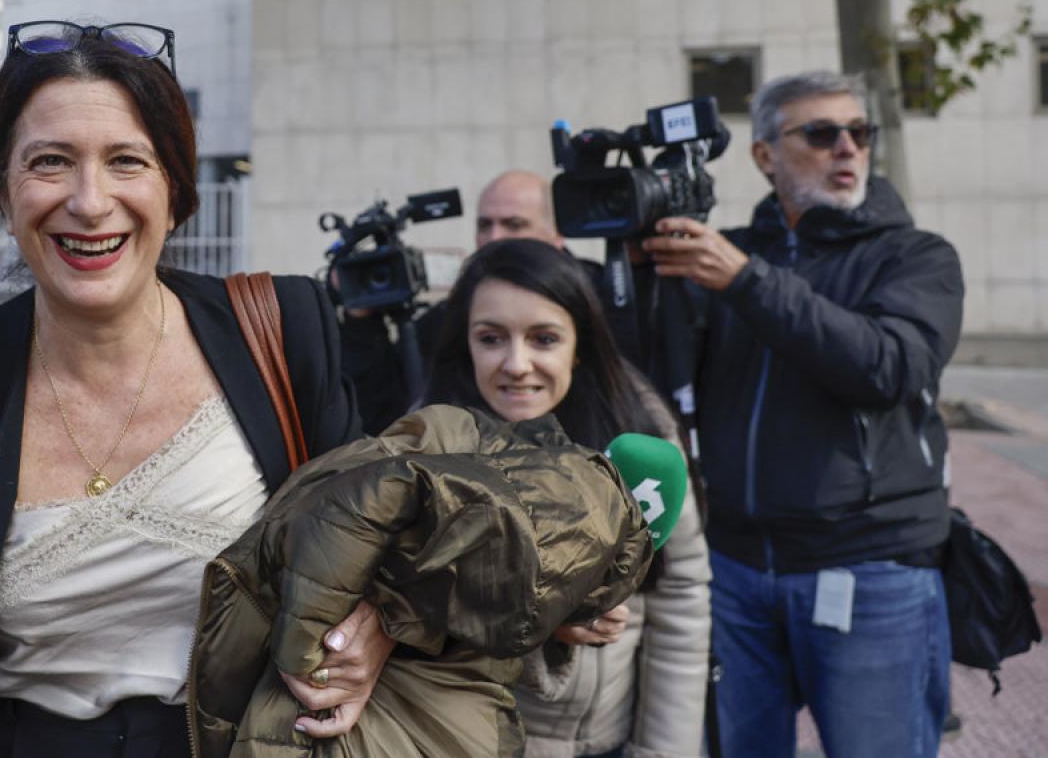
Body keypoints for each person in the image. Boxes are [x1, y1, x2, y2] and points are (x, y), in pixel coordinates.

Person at [0, 21, 392, 757]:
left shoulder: (281, 331)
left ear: (176, 191)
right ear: (3, 195)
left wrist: (379, 629)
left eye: (126, 161)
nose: (89, 201)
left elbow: (382, 539)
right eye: (49, 162)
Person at [644, 70, 964, 757]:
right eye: (821, 134)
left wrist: (747, 282)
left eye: (859, 132)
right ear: (765, 155)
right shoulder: (723, 257)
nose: (847, 148)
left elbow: (889, 368)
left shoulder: (916, 256)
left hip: (870, 569)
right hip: (733, 569)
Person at [423, 239, 711, 758]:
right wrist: (540, 626)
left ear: (580, 343)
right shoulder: (422, 452)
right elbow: (406, 615)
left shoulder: (638, 430)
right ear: (465, 343)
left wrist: (661, 751)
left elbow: (681, 600)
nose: (517, 364)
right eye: (491, 338)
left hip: (610, 740)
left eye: (544, 338)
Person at [340, 169, 588, 434]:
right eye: (490, 339)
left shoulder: (601, 296)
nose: (494, 237)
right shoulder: (447, 319)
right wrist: (362, 326)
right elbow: (378, 411)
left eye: (514, 224)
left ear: (557, 232)